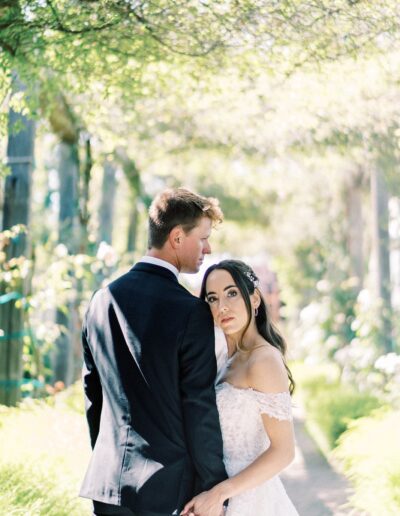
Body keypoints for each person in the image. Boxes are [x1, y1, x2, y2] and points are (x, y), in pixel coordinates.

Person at [80, 188, 228, 516]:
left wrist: (108, 459)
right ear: (177, 237)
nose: (208, 248)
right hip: (167, 489)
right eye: (203, 238)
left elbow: (94, 400)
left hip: (107, 484)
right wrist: (215, 490)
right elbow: (199, 408)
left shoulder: (100, 302)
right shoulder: (191, 312)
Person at [182, 259, 298, 516]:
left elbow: (284, 451)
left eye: (232, 293)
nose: (222, 306)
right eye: (212, 298)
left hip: (251, 499)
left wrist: (219, 493)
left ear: (254, 299)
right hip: (216, 496)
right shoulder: (224, 360)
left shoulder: (263, 359)